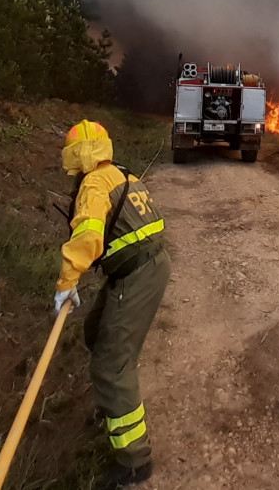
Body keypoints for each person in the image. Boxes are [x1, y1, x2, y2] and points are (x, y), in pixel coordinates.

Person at [54, 120, 171, 489]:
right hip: (144, 266)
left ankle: (135, 461)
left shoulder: (93, 183)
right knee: (94, 330)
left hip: (137, 273)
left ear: (74, 155)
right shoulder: (119, 173)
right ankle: (110, 406)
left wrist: (66, 282)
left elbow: (88, 236)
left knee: (111, 364)